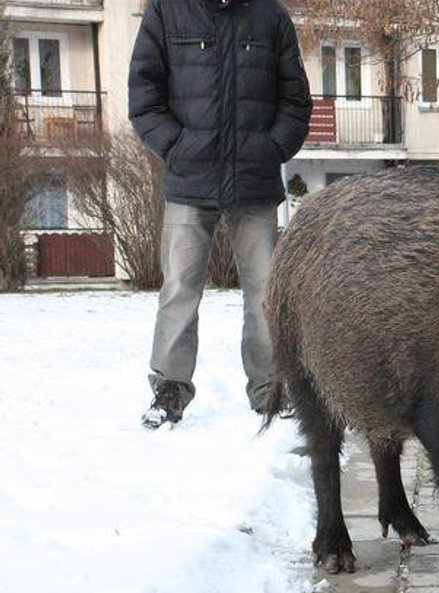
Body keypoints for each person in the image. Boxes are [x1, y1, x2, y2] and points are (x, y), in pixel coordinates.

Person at [128, 0, 312, 428]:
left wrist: (271, 149)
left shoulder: (272, 16)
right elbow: (143, 95)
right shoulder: (166, 11)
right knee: (179, 287)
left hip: (254, 179)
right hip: (189, 180)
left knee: (267, 291)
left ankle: (270, 387)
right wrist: (177, 147)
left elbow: (295, 100)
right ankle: (169, 388)